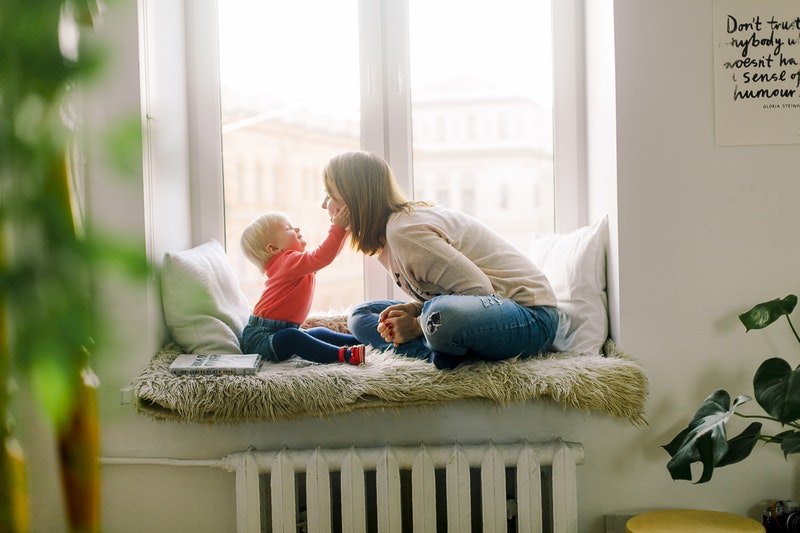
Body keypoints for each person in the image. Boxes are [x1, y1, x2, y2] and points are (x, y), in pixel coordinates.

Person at [321, 150, 558, 370]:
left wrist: (415, 324)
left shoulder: (404, 232)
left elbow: (480, 291)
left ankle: (434, 346)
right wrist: (416, 311)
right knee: (362, 315)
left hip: (531, 316)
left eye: (330, 195)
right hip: (482, 310)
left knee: (440, 316)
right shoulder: (388, 238)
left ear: (355, 200)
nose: (324, 205)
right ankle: (437, 353)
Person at [239, 208, 366, 365]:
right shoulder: (286, 262)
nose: (296, 229)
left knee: (318, 332)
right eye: (288, 228)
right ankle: (345, 355)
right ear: (273, 248)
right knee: (292, 337)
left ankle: (362, 341)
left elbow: (327, 257)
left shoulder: (293, 264)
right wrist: (338, 228)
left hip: (278, 331)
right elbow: (322, 257)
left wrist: (345, 231)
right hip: (261, 338)